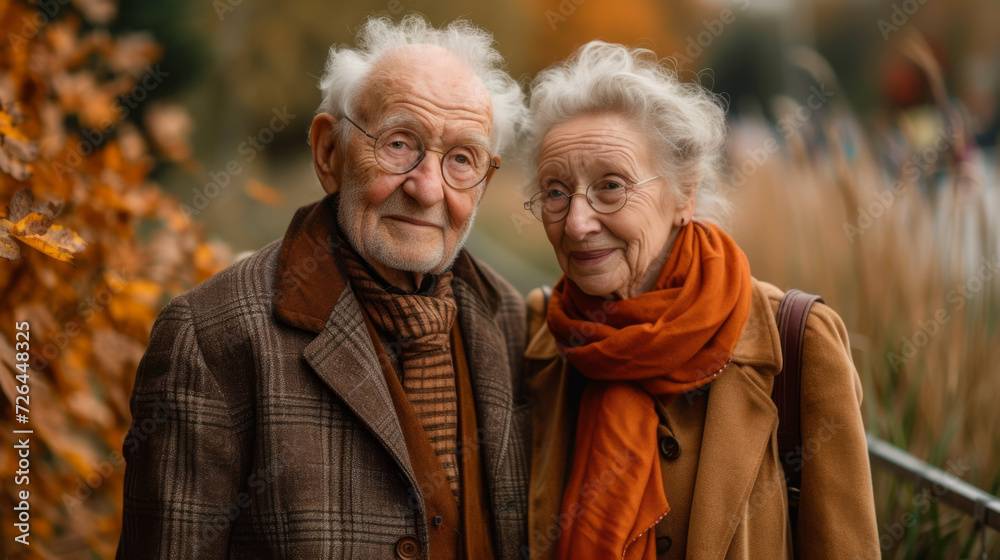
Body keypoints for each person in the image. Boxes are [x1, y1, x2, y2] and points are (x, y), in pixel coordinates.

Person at [117, 16, 531, 559]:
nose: (428, 189)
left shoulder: (511, 322)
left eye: (461, 159)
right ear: (329, 153)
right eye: (400, 143)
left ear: (485, 182)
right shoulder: (211, 337)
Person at [521, 41, 880, 560]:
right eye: (555, 191)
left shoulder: (797, 341)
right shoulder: (542, 334)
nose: (577, 223)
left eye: (611, 186)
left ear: (683, 196)